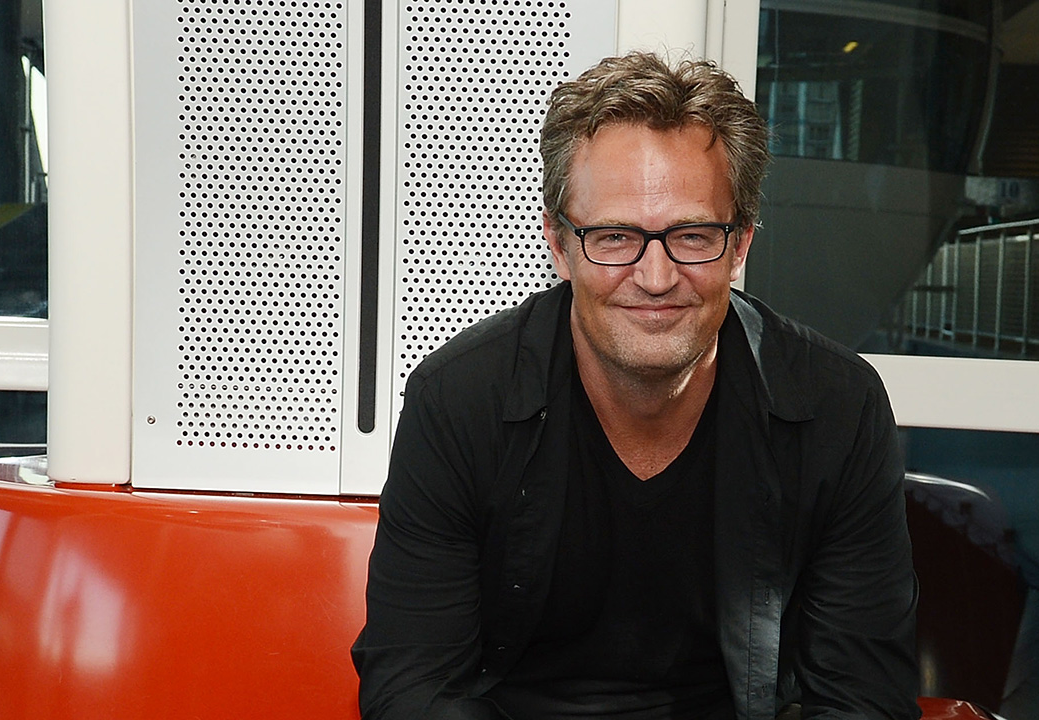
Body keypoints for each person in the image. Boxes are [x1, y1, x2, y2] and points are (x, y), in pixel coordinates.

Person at [352, 52, 920, 720]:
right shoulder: (459, 400)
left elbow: (862, 699)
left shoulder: (836, 409)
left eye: (692, 234)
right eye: (615, 236)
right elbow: (410, 686)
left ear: (739, 245)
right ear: (559, 245)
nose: (655, 278)